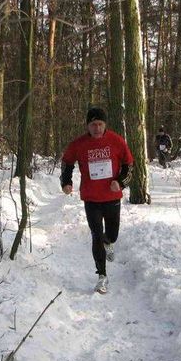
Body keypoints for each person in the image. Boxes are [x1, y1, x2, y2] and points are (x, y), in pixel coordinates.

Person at [60, 107, 134, 294]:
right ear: (87, 126)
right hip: (91, 198)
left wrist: (121, 183)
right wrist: (66, 182)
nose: (97, 128)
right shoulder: (79, 144)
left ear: (105, 125)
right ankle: (102, 276)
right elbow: (67, 162)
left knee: (111, 234)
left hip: (112, 197)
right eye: (93, 125)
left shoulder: (116, 141)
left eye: (100, 124)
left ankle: (109, 242)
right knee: (96, 235)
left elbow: (129, 165)